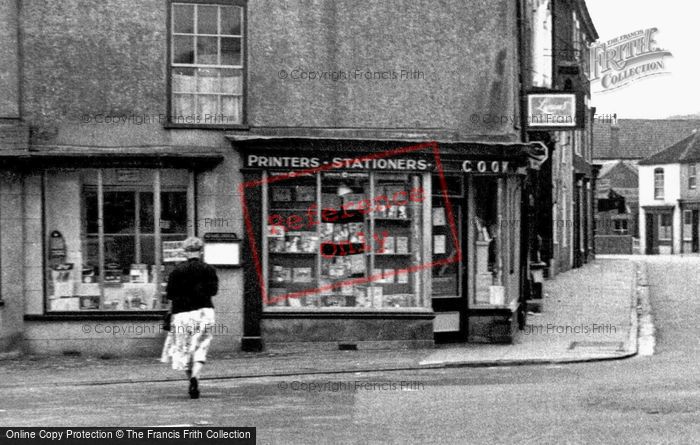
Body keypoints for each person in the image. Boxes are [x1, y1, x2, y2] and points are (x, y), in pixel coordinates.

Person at [160, 236, 218, 399]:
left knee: (183, 348)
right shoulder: (209, 269)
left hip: (182, 313)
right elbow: (213, 291)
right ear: (201, 251)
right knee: (201, 347)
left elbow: (170, 294)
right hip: (205, 311)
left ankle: (191, 380)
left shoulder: (177, 271)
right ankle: (196, 376)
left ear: (185, 252)